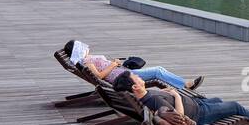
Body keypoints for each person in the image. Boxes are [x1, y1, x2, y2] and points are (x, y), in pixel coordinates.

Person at [117, 73, 249, 125]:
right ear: (135, 86)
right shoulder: (152, 99)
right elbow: (179, 117)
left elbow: (160, 103)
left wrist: (164, 93)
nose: (138, 75)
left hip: (197, 104)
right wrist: (177, 96)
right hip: (199, 115)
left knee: (218, 100)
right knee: (235, 106)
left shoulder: (146, 96)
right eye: (135, 76)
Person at [62, 40, 203, 92]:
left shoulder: (85, 60)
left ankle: (181, 85)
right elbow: (98, 76)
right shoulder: (86, 62)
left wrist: (115, 64)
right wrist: (113, 64)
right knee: (158, 71)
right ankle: (185, 85)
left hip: (122, 72)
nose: (87, 47)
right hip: (123, 77)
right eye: (83, 47)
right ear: (78, 50)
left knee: (156, 71)